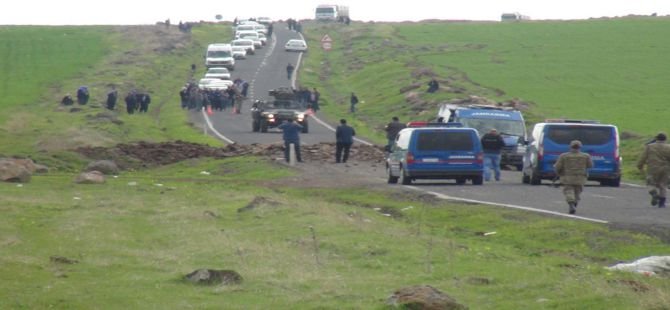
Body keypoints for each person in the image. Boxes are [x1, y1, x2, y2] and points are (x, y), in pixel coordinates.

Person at [554, 140, 593, 214]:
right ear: (580, 147)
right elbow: (590, 165)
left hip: (567, 177)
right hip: (581, 178)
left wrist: (558, 173)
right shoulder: (586, 156)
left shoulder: (564, 156)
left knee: (568, 191)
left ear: (570, 146)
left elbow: (557, 167)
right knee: (577, 192)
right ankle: (574, 204)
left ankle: (571, 204)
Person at [637, 133, 670, 208]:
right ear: (665, 139)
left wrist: (640, 165)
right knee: (663, 185)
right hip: (666, 169)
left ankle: (654, 193)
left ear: (657, 139)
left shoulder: (650, 147)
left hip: (653, 168)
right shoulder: (669, 147)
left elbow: (643, 157)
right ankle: (662, 203)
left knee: (651, 184)